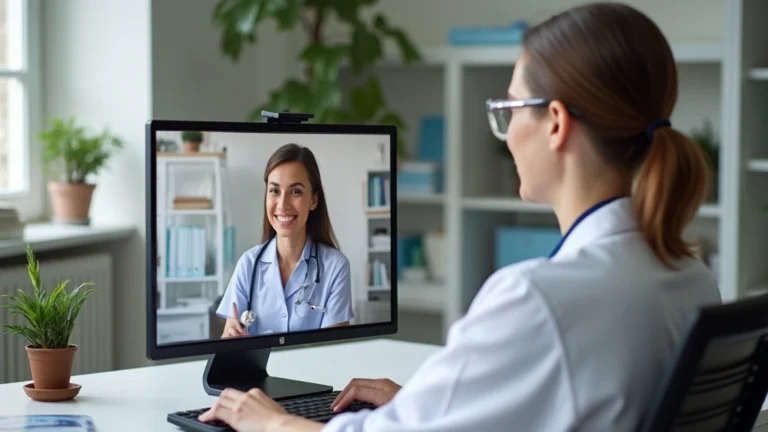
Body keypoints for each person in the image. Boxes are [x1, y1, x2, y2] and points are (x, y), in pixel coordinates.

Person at [200, 2, 722, 431]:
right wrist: (435, 402)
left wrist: (273, 424)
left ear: (555, 123)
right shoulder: (690, 279)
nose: (507, 131)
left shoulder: (538, 298)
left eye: (510, 110)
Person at [215, 143, 354, 337]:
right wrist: (231, 340)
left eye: (295, 191)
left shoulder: (335, 267)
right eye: (274, 191)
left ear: (313, 200)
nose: (283, 204)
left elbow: (334, 350)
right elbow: (227, 343)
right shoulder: (248, 264)